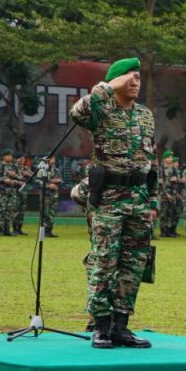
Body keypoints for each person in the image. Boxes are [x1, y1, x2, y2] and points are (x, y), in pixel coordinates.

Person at [69, 57, 158, 349]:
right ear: (116, 79)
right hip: (109, 200)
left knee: (133, 264)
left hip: (139, 200)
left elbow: (150, 161)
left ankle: (121, 325)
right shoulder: (102, 110)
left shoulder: (145, 115)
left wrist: (153, 200)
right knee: (104, 262)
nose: (136, 82)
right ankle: (101, 326)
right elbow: (77, 113)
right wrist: (108, 87)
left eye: (138, 78)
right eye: (129, 77)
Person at [35, 156, 64, 237]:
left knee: (52, 213)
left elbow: (61, 180)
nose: (53, 160)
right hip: (45, 195)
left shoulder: (56, 170)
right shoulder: (42, 169)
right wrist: (48, 185)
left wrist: (59, 181)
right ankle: (42, 233)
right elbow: (37, 180)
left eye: (54, 158)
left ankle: (49, 231)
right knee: (44, 213)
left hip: (54, 195)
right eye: (52, 158)